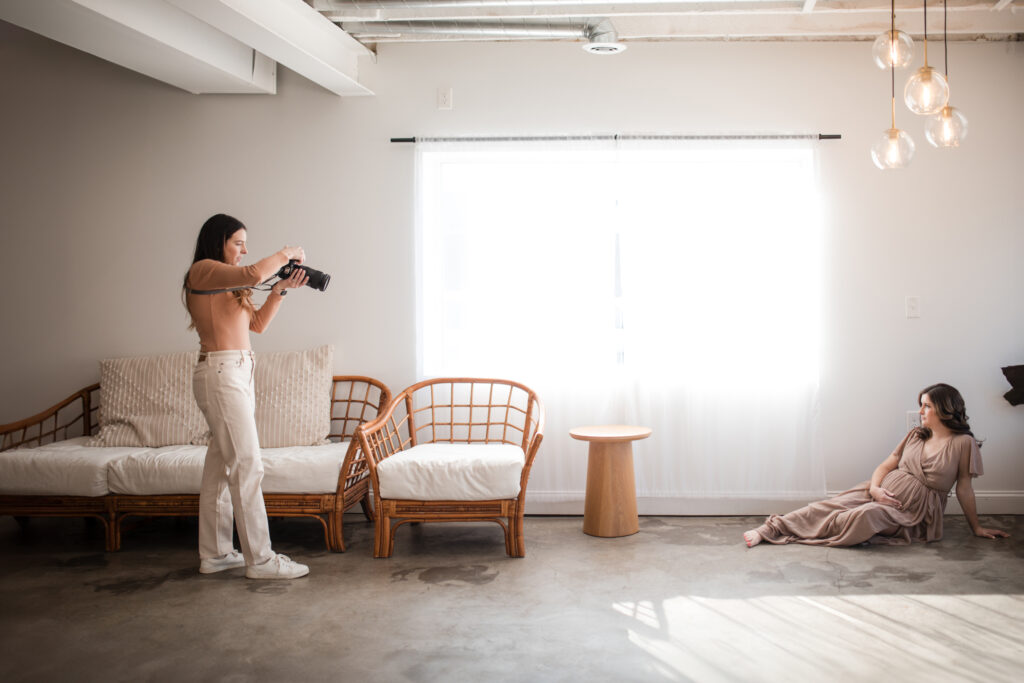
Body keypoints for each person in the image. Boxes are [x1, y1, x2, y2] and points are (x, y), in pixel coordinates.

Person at [183, 213, 311, 579]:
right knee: (247, 465)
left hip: (235, 371)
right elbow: (255, 272)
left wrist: (280, 291)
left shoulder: (228, 281)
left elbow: (256, 325)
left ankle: (216, 553)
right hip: (222, 373)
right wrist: (286, 252)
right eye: (238, 243)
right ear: (218, 241)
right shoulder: (203, 271)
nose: (244, 250)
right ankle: (261, 560)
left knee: (222, 468)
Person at [744, 383, 1010, 548]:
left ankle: (799, 535)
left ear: (944, 409)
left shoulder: (964, 443)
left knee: (861, 516)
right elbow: (886, 465)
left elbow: (964, 488)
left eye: (926, 406)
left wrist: (976, 527)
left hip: (912, 511)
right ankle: (768, 530)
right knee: (824, 506)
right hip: (879, 491)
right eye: (921, 406)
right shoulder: (916, 434)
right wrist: (875, 489)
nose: (920, 412)